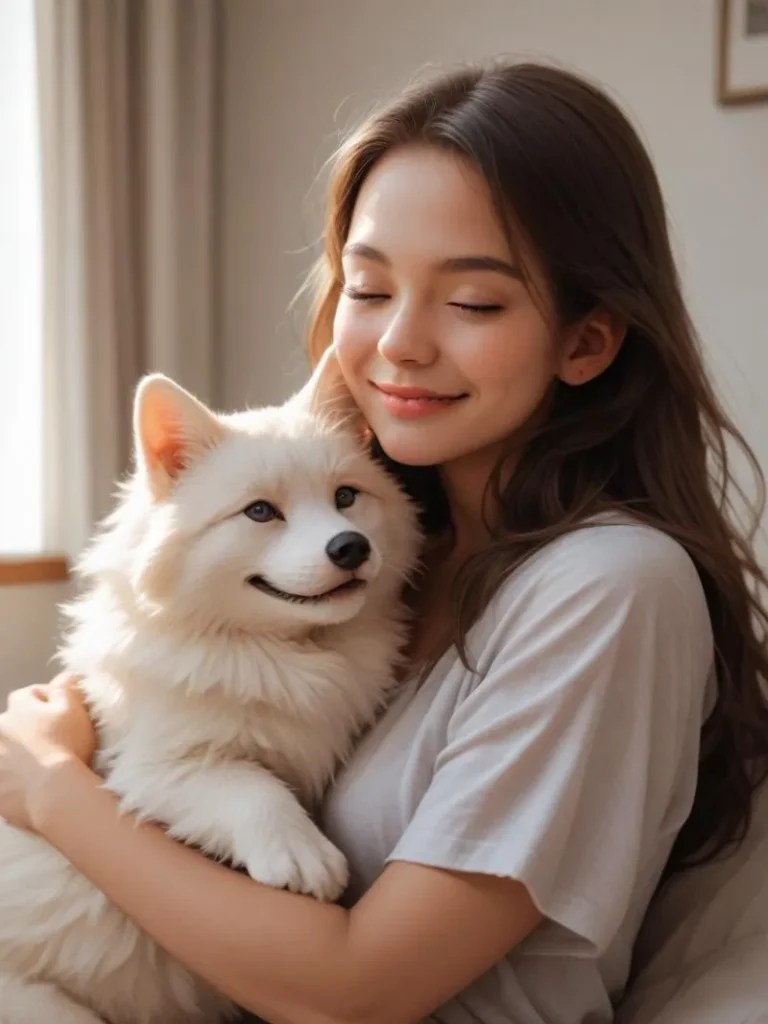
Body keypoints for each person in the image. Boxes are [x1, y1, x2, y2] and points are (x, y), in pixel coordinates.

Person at [1, 60, 767, 1024]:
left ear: (588, 341)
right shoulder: (397, 561)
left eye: (474, 301)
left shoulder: (609, 587)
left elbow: (361, 992)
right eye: (368, 289)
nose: (400, 343)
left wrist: (50, 788)